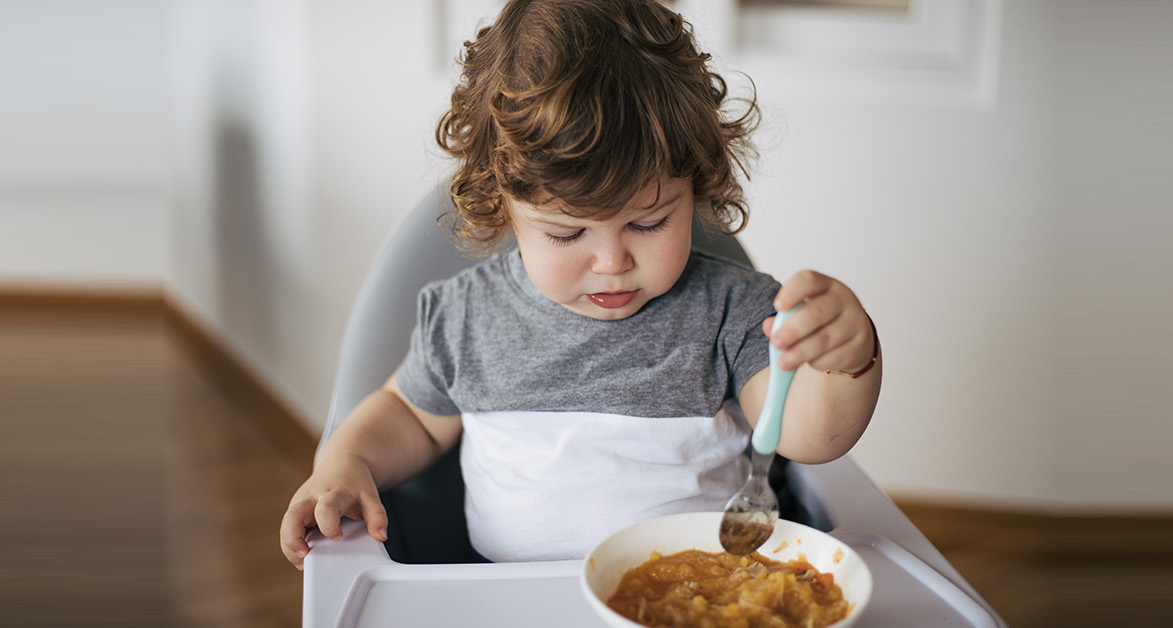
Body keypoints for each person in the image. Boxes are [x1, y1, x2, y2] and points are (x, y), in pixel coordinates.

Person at [279, 0, 881, 567]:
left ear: (694, 188)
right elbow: (408, 416)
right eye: (568, 235)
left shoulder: (730, 312)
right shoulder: (469, 316)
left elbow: (807, 435)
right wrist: (346, 461)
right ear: (503, 206)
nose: (612, 260)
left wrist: (847, 361)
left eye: (648, 222)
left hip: (693, 603)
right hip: (512, 610)